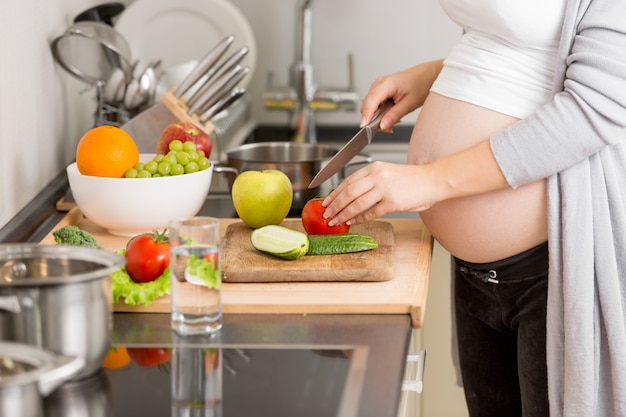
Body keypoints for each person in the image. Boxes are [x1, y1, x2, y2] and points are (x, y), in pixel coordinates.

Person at [322, 0, 626, 416]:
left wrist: (430, 181)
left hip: (552, 272)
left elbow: (597, 108)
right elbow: (523, 40)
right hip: (474, 274)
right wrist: (433, 75)